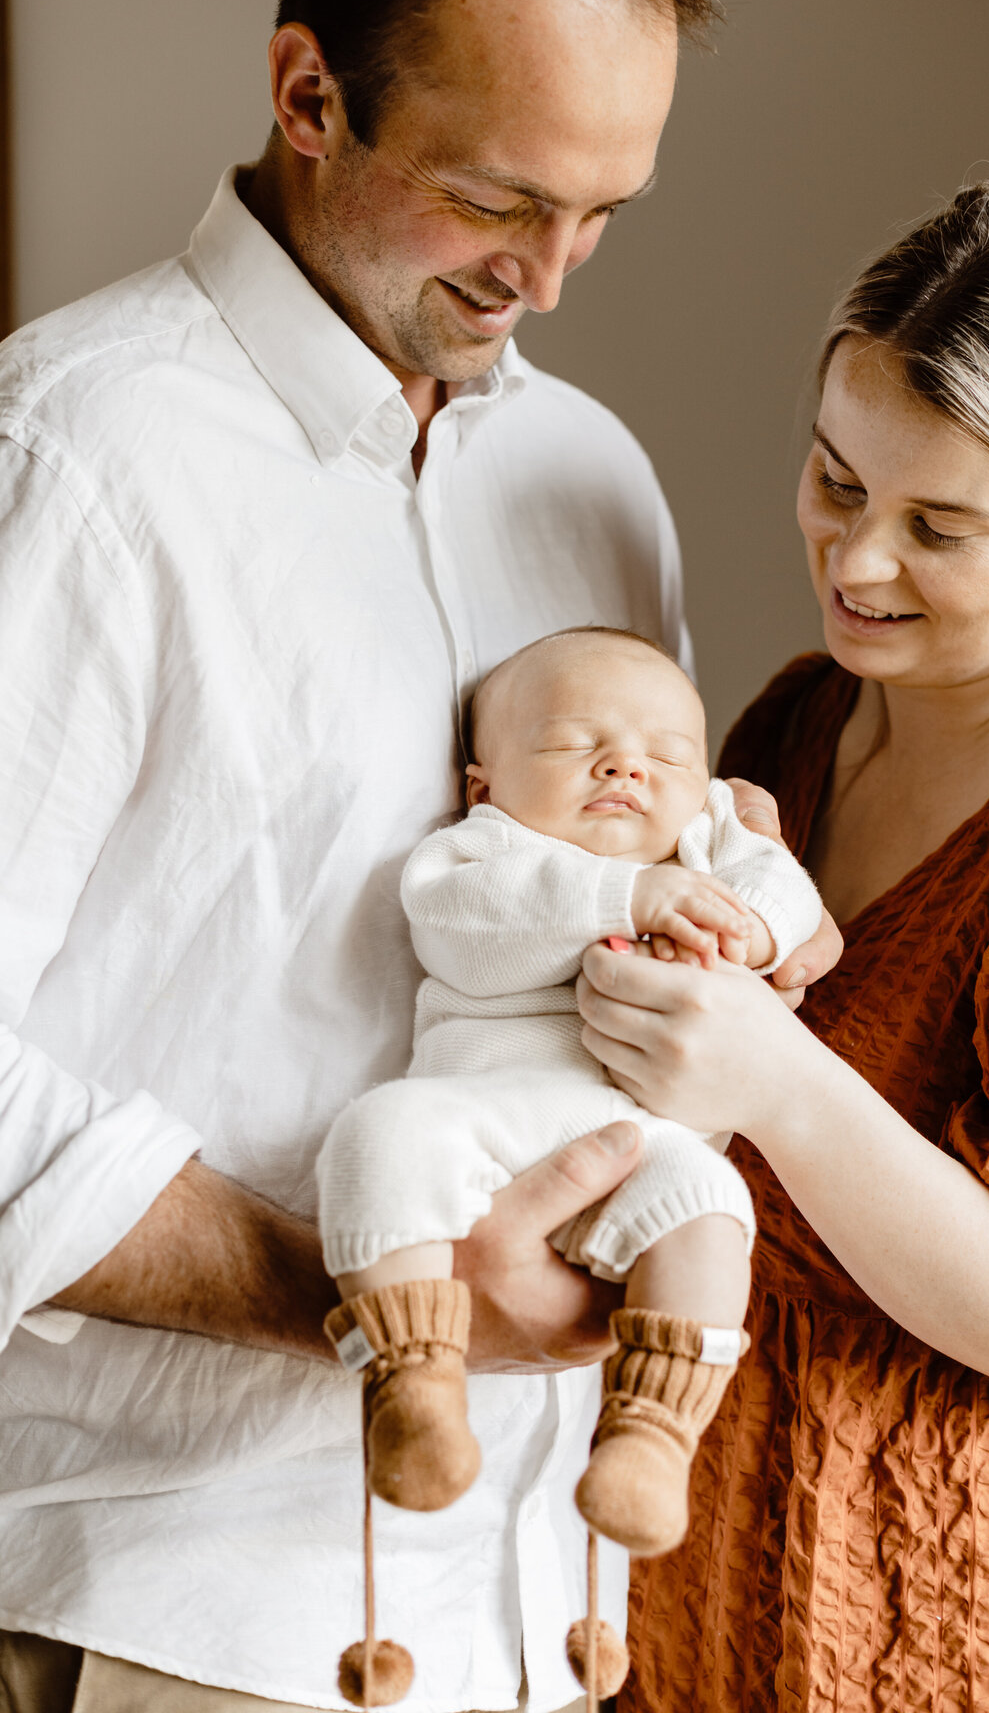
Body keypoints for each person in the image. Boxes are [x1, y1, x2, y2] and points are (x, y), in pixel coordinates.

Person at [0, 0, 837, 1710]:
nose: (552, 277)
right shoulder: (72, 461)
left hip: (551, 1618)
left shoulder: (589, 477)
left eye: (606, 212)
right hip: (189, 1609)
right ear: (310, 93)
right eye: (500, 199)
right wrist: (355, 1286)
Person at [573, 186, 989, 1709]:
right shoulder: (794, 722)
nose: (858, 560)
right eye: (837, 480)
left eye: (942, 528)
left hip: (988, 1617)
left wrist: (776, 1077)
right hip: (709, 1597)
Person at [316, 628, 821, 1628]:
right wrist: (627, 893)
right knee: (380, 1137)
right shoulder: (480, 853)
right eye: (572, 747)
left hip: (647, 1143)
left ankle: (653, 1433)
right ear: (484, 782)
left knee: (715, 1208)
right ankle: (414, 1384)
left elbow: (786, 895)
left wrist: (758, 928)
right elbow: (467, 926)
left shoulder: (710, 842)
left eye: (666, 754)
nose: (626, 765)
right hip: (483, 1118)